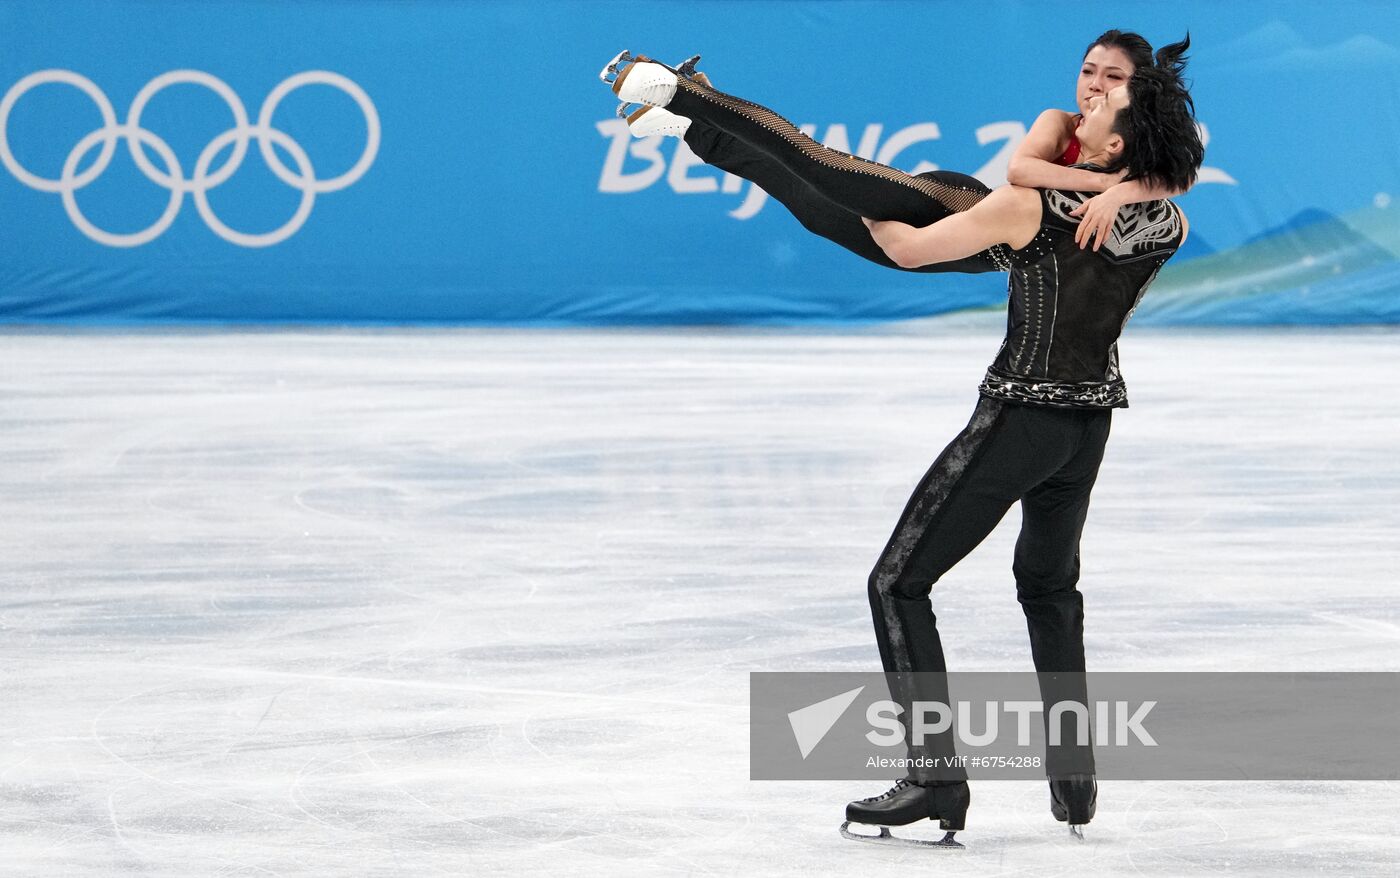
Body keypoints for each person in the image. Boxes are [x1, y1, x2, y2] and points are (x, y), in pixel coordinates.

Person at [598, 38, 1203, 846]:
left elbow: (907, 248)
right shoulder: (1170, 221)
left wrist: (876, 217)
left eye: (1107, 97)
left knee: (897, 584)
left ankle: (936, 779)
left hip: (1018, 414)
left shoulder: (1036, 207)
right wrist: (1118, 179)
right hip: (1086, 427)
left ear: (1122, 143)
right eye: (1091, 82)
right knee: (1048, 588)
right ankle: (1074, 775)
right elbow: (1162, 168)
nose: (1089, 97)